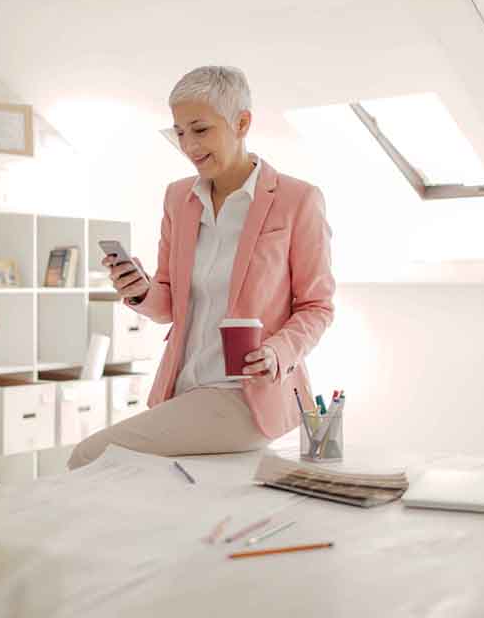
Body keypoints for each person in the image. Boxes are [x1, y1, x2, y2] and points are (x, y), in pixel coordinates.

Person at [68, 66, 336, 469]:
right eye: (179, 132)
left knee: (89, 456)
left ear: (242, 123)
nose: (188, 145)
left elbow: (318, 306)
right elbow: (168, 303)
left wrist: (276, 352)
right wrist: (139, 291)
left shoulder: (297, 200)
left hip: (245, 396)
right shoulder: (179, 198)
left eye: (200, 130)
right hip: (182, 390)